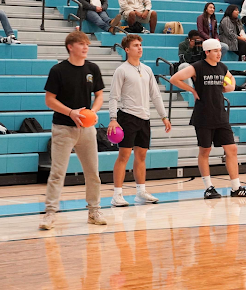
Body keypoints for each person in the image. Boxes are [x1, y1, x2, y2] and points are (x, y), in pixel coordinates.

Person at [169, 39, 246, 199]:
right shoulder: (197, 67)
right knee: (205, 150)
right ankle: (208, 187)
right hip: (203, 114)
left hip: (220, 114)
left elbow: (232, 79)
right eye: (215, 51)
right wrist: (192, 91)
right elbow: (174, 78)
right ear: (207, 52)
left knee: (232, 149)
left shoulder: (222, 67)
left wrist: (229, 87)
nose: (219, 53)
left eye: (220, 51)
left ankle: (236, 187)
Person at [39, 31, 106, 230]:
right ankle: (50, 213)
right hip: (63, 128)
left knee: (93, 173)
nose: (86, 47)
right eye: (81, 44)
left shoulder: (92, 68)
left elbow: (99, 96)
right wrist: (71, 112)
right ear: (70, 47)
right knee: (58, 172)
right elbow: (49, 100)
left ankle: (94, 211)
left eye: (87, 44)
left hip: (87, 130)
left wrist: (91, 112)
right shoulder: (58, 70)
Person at [108, 34, 172, 207]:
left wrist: (164, 116)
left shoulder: (147, 69)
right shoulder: (121, 70)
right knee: (124, 155)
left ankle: (140, 192)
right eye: (136, 45)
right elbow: (113, 97)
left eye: (140, 45)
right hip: (127, 117)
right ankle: (117, 194)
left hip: (145, 118)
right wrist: (113, 119)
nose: (140, 48)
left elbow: (155, 95)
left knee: (141, 155)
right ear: (127, 50)